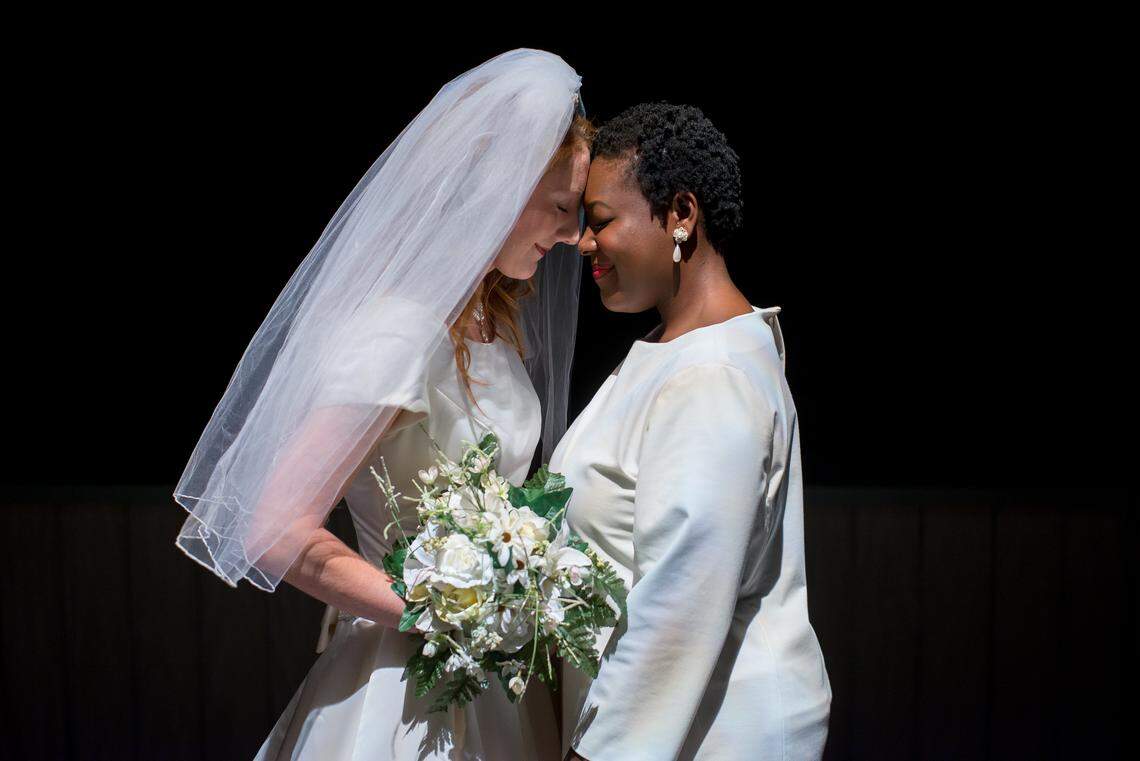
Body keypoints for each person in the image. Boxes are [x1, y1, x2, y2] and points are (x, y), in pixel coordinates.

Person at [173, 49, 591, 760]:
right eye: (558, 207)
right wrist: (449, 611)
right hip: (402, 691)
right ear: (501, 187)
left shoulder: (490, 323)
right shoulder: (398, 332)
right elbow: (273, 528)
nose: (570, 234)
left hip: (487, 685)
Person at [552, 102, 832, 760]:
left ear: (681, 214)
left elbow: (677, 598)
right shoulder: (674, 348)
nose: (585, 244)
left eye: (601, 222)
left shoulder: (712, 375)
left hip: (712, 731)